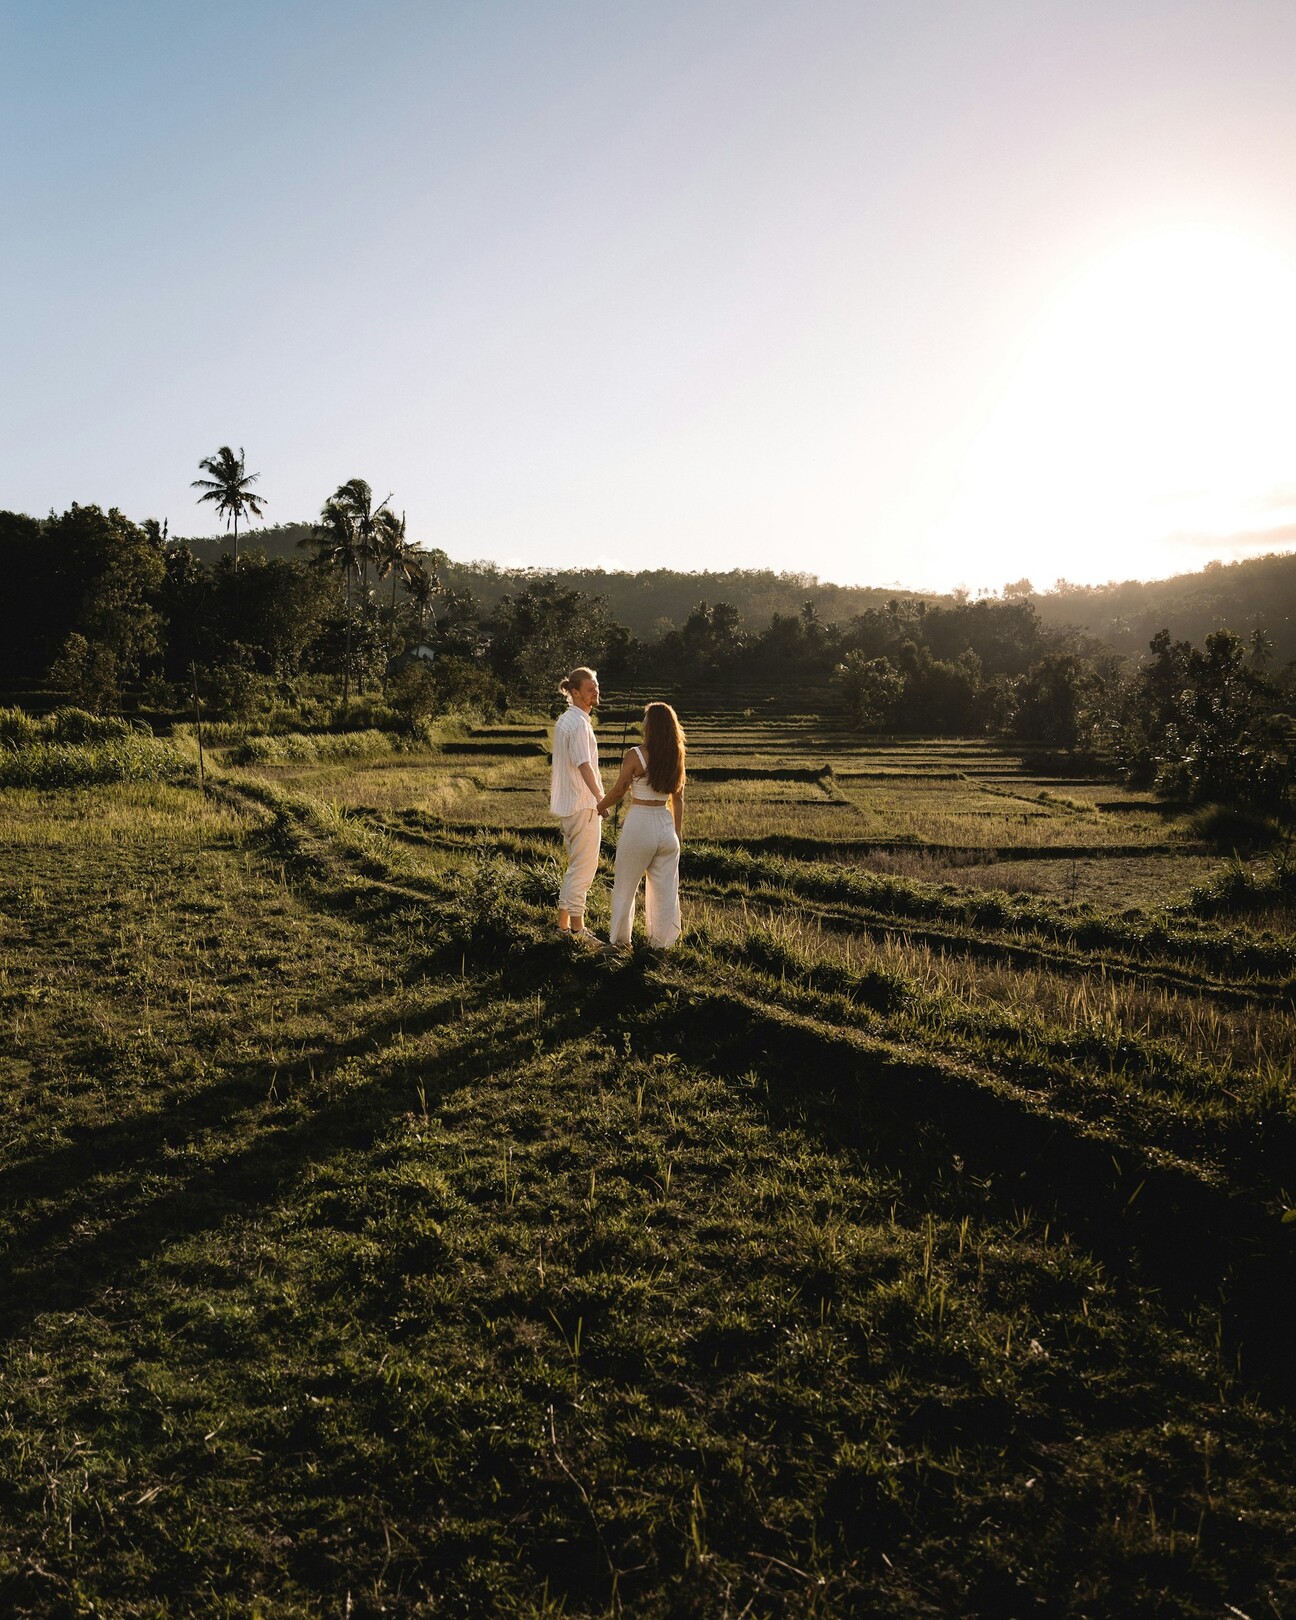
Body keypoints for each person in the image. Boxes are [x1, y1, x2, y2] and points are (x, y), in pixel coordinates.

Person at [597, 701, 686, 951]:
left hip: (641, 823)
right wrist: (676, 833)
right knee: (665, 891)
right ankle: (662, 944)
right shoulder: (677, 755)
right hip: (666, 826)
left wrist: (598, 807)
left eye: (646, 718)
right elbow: (678, 798)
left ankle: (620, 941)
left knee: (625, 885)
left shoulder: (636, 755)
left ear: (651, 726)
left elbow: (618, 791)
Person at [550, 666, 605, 941]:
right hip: (583, 804)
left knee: (575, 867)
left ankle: (562, 927)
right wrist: (600, 798)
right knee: (584, 869)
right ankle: (577, 928)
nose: (595, 692)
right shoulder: (580, 724)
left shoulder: (564, 721)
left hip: (568, 806)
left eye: (596, 687)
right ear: (574, 692)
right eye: (589, 689)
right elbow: (585, 765)